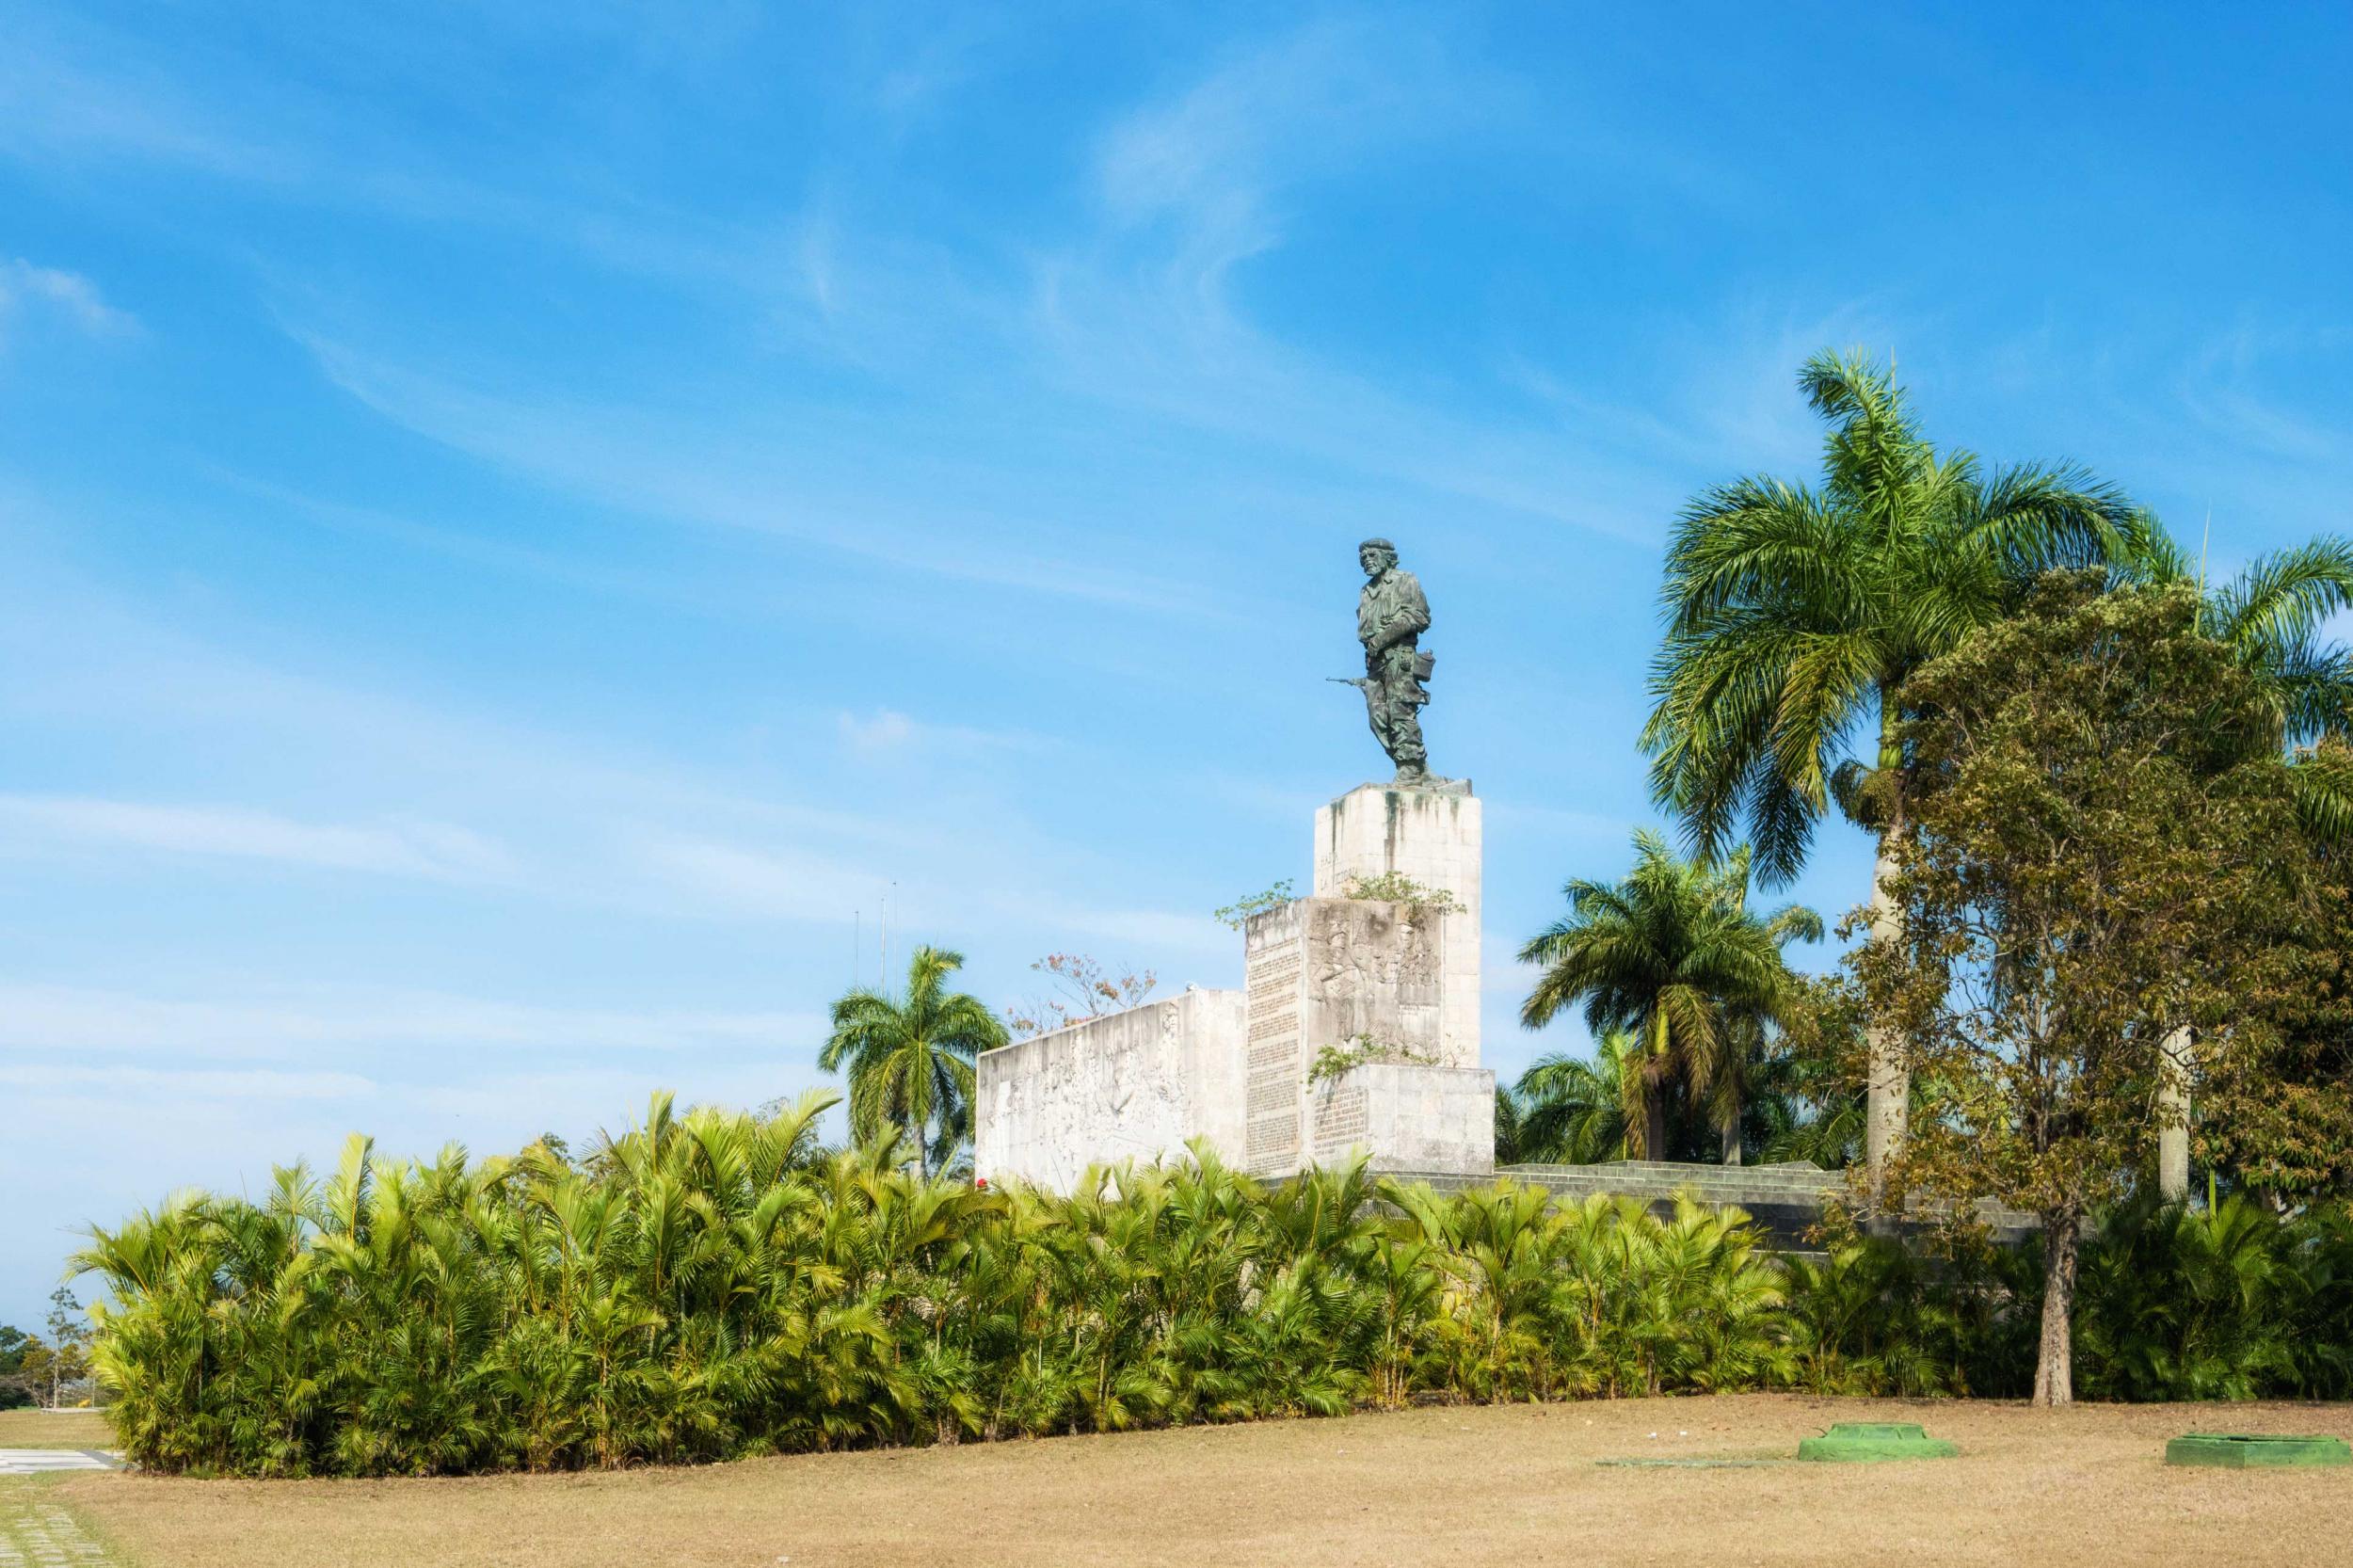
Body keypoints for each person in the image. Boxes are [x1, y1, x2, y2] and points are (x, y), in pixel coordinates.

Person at [1353, 537, 1433, 782]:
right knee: (1377, 718)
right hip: (1376, 662)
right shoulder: (1366, 592)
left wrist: (1385, 636)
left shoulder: (1405, 580)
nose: (1367, 561)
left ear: (1387, 557)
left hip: (1400, 658)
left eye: (1372, 555)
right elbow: (1364, 630)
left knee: (1399, 710)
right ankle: (1415, 764)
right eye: (1363, 557)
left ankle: (1410, 767)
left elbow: (1420, 617)